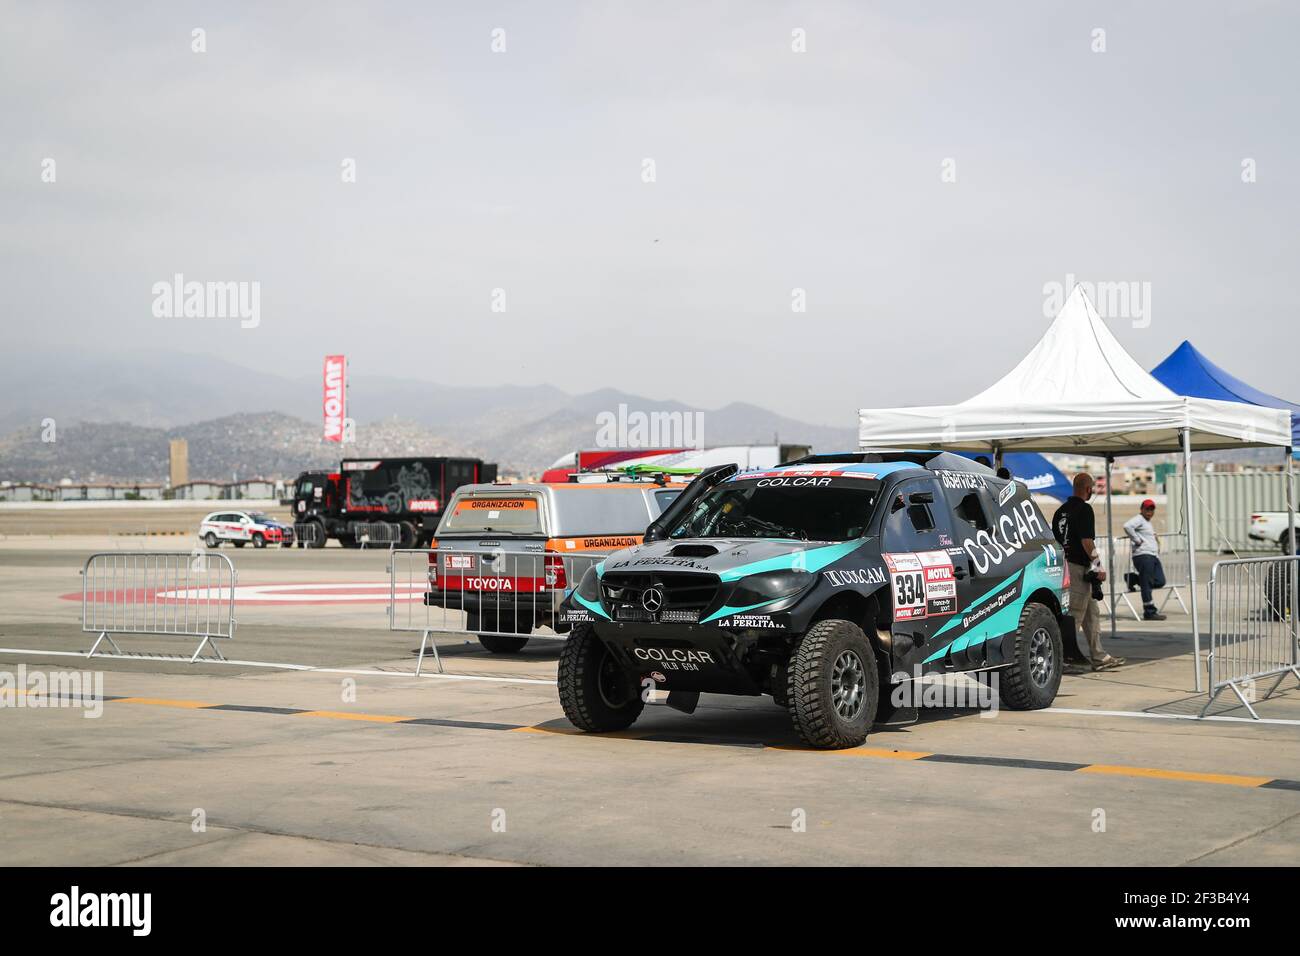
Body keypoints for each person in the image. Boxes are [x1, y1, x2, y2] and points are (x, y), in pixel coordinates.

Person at [1051, 473, 1125, 671]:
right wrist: (1098, 565)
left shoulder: (1061, 511)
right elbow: (1087, 541)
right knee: (1074, 615)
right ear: (1088, 489)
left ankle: (1099, 656)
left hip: (1067, 567)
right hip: (1076, 569)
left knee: (1092, 613)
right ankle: (1064, 659)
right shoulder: (1084, 509)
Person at [1123, 499, 1167, 621]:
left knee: (1160, 581)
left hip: (1153, 556)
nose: (1149, 511)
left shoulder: (1147, 522)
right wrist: (1137, 540)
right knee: (1147, 582)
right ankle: (1149, 611)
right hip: (1143, 556)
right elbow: (1127, 526)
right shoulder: (1139, 519)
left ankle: (1132, 578)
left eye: (1152, 509)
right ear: (1142, 509)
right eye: (1147, 509)